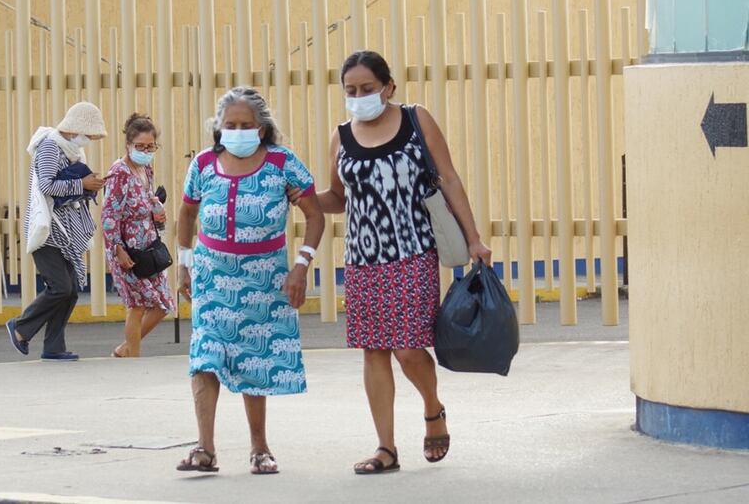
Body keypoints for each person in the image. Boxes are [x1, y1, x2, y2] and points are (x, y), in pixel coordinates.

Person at [307, 50, 491, 474]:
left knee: (408, 349)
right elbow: (337, 198)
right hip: (362, 259)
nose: (359, 97)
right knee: (374, 352)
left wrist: (474, 238)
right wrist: (298, 196)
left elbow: (448, 178)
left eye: (367, 89)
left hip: (412, 252)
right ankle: (385, 448)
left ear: (388, 86)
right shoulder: (341, 136)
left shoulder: (415, 119)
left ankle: (432, 409)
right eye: (350, 90)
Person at [174, 87, 325, 475]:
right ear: (218, 128)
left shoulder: (281, 163)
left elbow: (314, 214)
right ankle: (204, 448)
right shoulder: (205, 164)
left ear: (262, 129)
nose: (237, 131)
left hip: (265, 279)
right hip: (212, 276)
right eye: (230, 125)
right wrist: (184, 262)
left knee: (254, 360)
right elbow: (187, 214)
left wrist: (302, 266)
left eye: (246, 125)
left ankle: (259, 448)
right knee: (205, 355)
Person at [7, 102, 108, 362]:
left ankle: (54, 346)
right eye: (90, 134)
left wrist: (88, 185)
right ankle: (21, 327)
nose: (90, 140)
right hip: (49, 231)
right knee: (60, 287)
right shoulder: (51, 146)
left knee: (71, 289)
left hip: (65, 232)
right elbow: (48, 185)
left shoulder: (71, 150)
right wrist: (81, 183)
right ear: (77, 128)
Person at [101, 113, 174, 358]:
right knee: (137, 304)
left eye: (150, 146)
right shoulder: (119, 173)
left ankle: (125, 349)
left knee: (163, 304)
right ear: (128, 145)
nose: (145, 150)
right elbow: (109, 215)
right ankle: (133, 357)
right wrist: (117, 249)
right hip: (127, 251)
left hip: (149, 247)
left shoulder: (146, 169)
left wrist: (156, 210)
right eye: (139, 146)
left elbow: (145, 200)